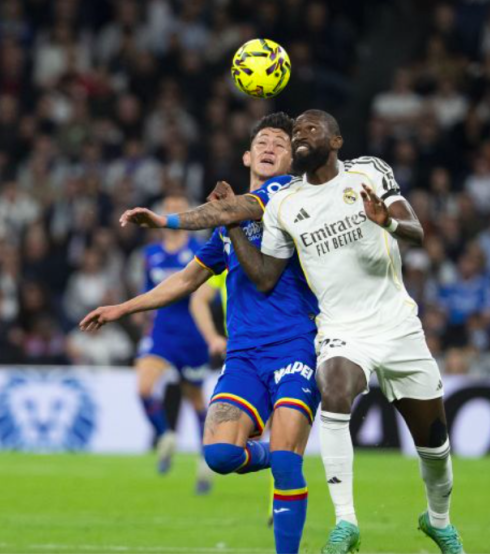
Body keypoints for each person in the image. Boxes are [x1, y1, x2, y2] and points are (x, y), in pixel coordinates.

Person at [196, 110, 465, 553]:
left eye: (310, 129)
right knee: (335, 387)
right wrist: (221, 223)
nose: (300, 134)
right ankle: (346, 522)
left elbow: (416, 231)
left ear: (336, 140)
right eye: (296, 131)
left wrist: (387, 221)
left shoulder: (369, 171)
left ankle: (439, 521)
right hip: (340, 328)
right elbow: (264, 275)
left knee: (434, 446)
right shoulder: (287, 203)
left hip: (397, 325)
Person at [82, 112, 321, 554]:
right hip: (243, 355)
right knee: (220, 456)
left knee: (289, 465)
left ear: (292, 160)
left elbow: (230, 212)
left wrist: (164, 221)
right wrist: (122, 308)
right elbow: (186, 279)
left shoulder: (288, 195)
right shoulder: (230, 225)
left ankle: (285, 479)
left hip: (294, 346)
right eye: (263, 142)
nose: (270, 148)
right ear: (247, 155)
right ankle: (273, 454)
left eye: (281, 144)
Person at [133, 194, 214, 493]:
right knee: (143, 388)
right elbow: (147, 290)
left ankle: (206, 459)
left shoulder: (199, 249)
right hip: (161, 331)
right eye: (169, 209)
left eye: (179, 209)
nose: (173, 214)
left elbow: (208, 291)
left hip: (192, 334)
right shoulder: (151, 254)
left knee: (195, 399)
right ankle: (165, 435)